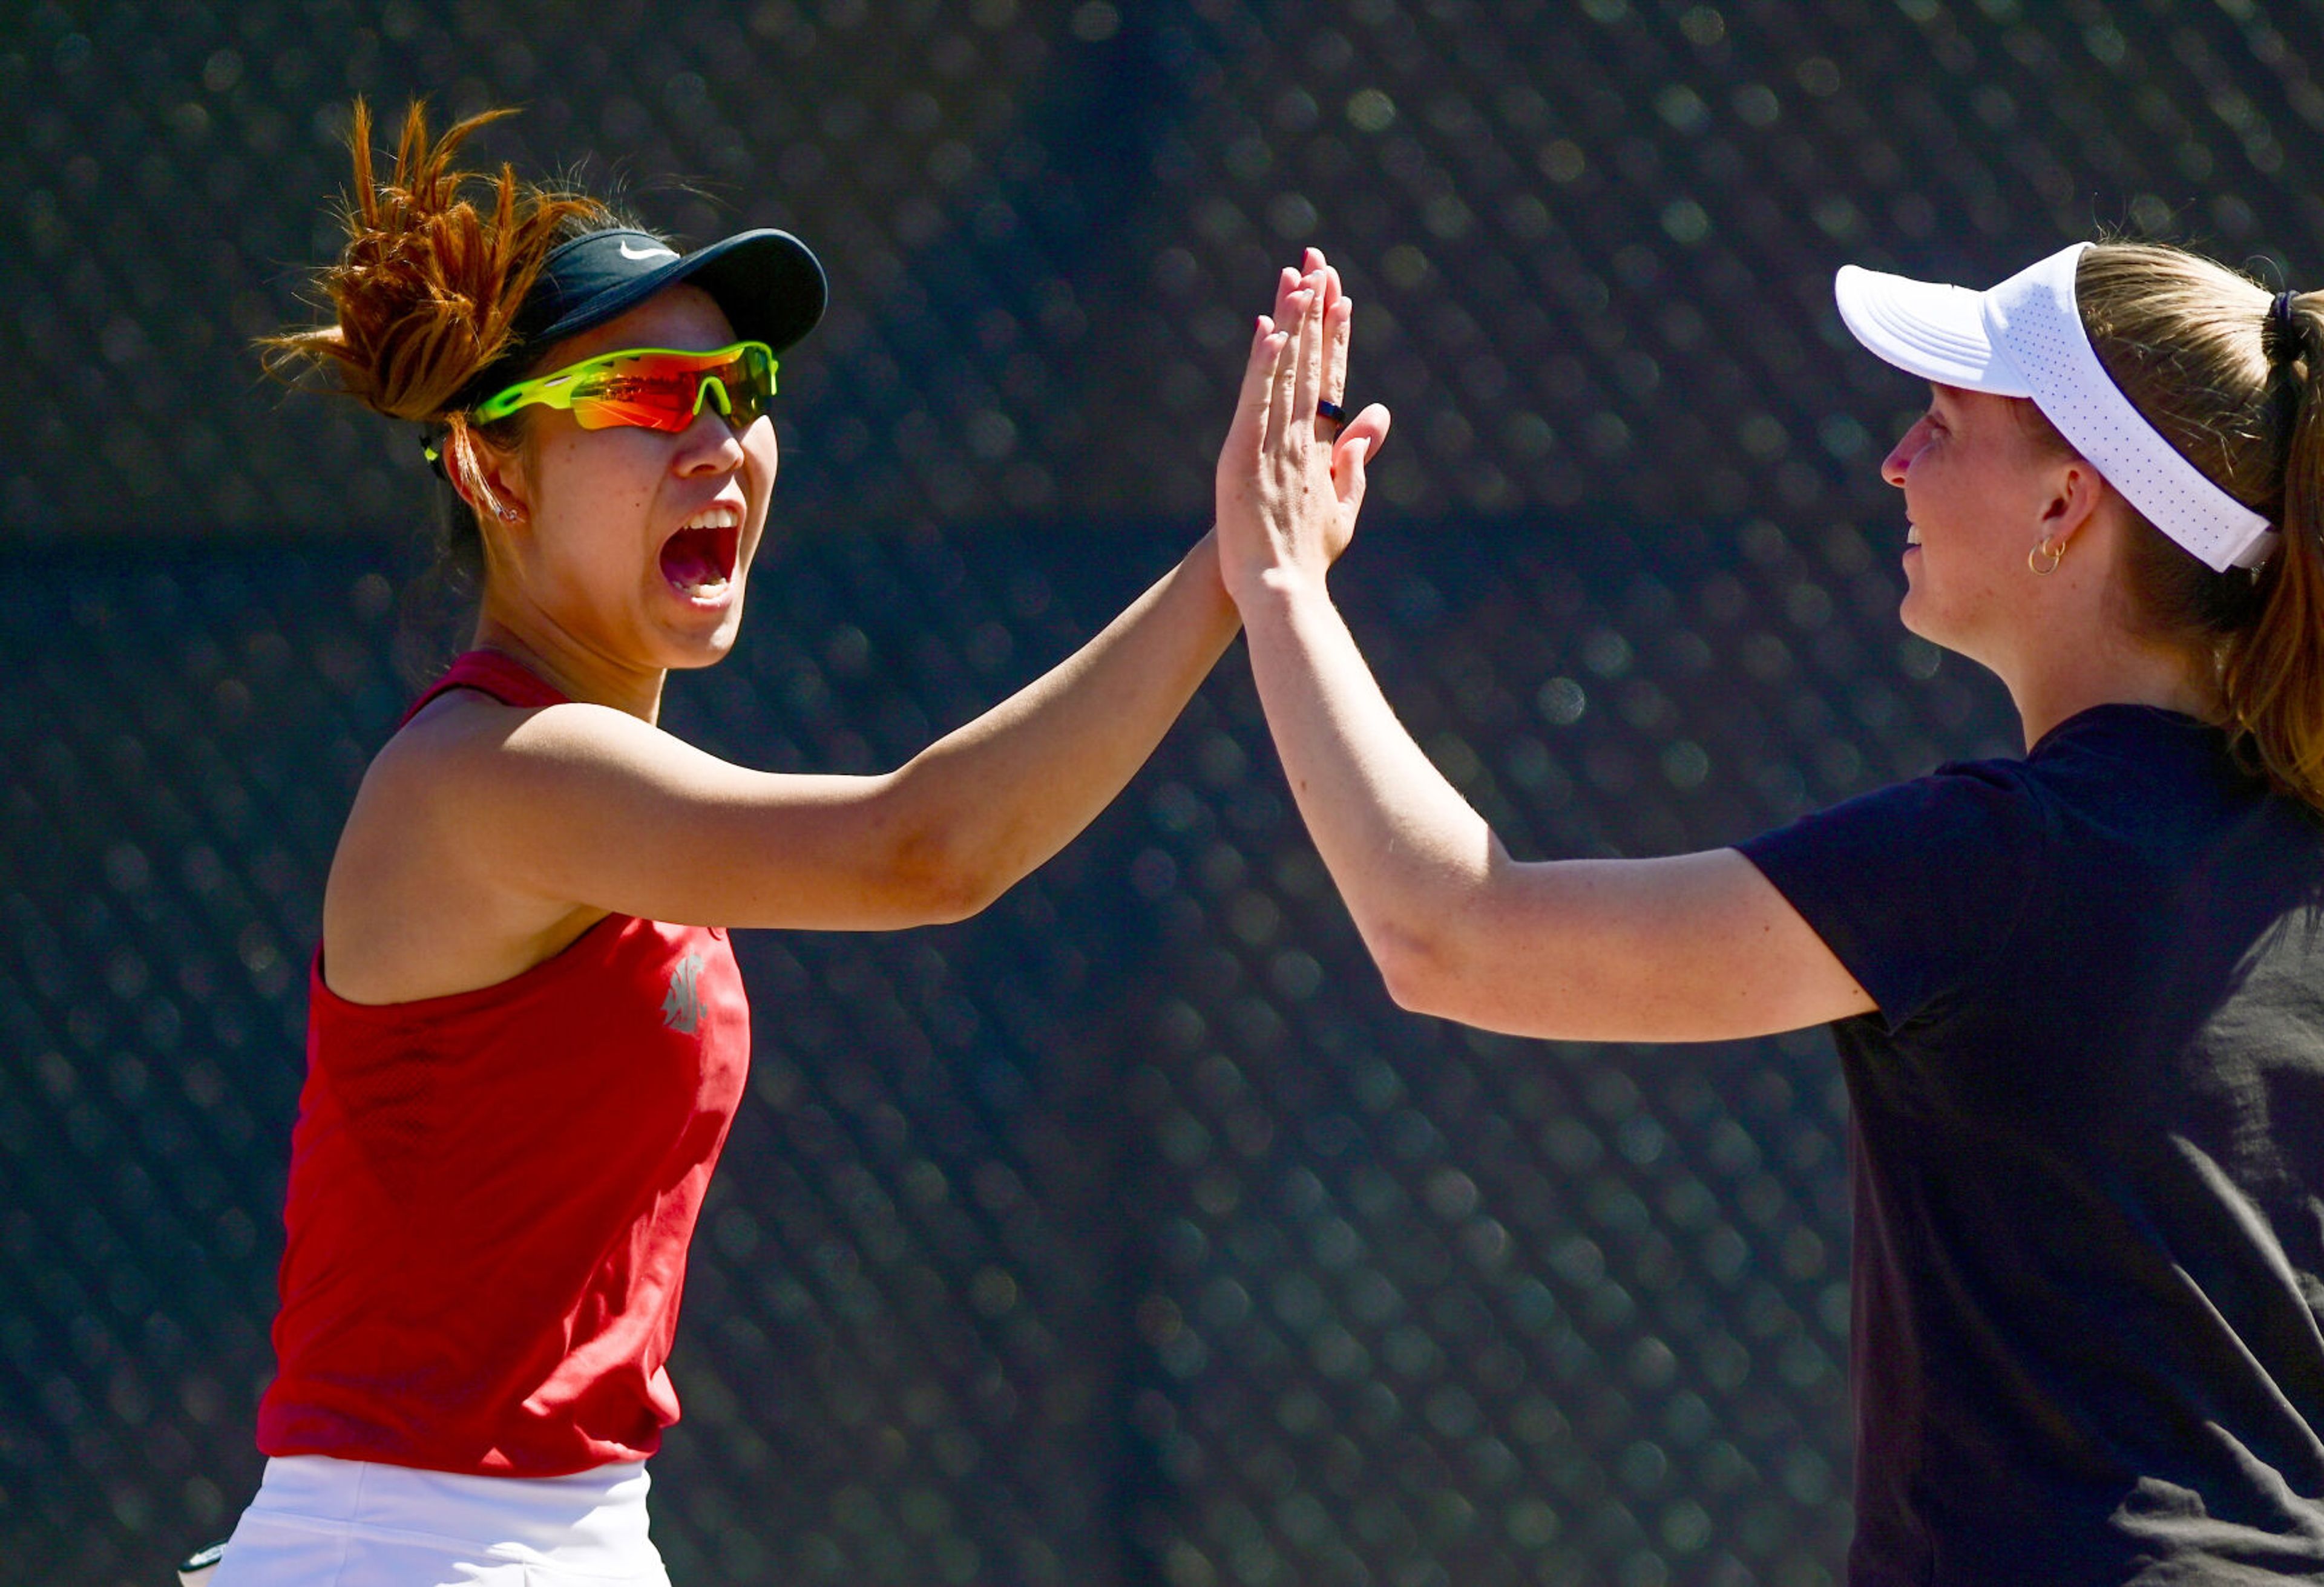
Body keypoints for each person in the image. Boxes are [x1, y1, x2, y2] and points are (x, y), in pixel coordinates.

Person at [203, 103, 1377, 1586]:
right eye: (641, 395)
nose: (714, 440)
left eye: (737, 386)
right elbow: (925, 850)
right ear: (491, 475)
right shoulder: (482, 776)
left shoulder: (606, 784)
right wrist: (1233, 567)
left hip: (568, 1539)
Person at [1218, 242, 2324, 1580]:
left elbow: (1451, 933)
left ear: (2068, 504)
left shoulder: (1996, 857)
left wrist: (1281, 580)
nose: (1896, 463)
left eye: (1944, 425)